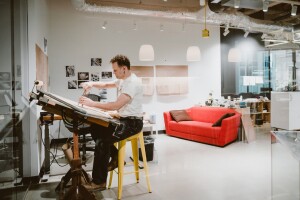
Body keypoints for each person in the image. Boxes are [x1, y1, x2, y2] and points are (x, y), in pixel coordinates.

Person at [79, 54, 143, 191]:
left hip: (133, 124)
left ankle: (99, 182)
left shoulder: (132, 83)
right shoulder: (122, 80)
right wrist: (91, 83)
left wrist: (92, 104)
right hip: (124, 119)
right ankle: (115, 157)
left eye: (115, 70)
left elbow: (115, 105)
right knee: (96, 127)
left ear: (124, 69)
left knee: (102, 141)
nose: (114, 72)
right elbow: (106, 84)